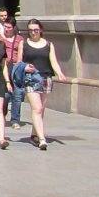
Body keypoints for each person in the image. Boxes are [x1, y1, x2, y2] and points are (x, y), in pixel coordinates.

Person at [20, 19, 67, 150]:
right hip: (30, 78)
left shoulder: (48, 45)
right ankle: (42, 139)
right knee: (37, 108)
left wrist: (60, 73)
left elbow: (54, 62)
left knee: (42, 109)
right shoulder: (23, 44)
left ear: (40, 29)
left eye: (35, 30)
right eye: (30, 30)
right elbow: (19, 63)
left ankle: (34, 134)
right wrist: (24, 68)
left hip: (46, 77)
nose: (33, 33)